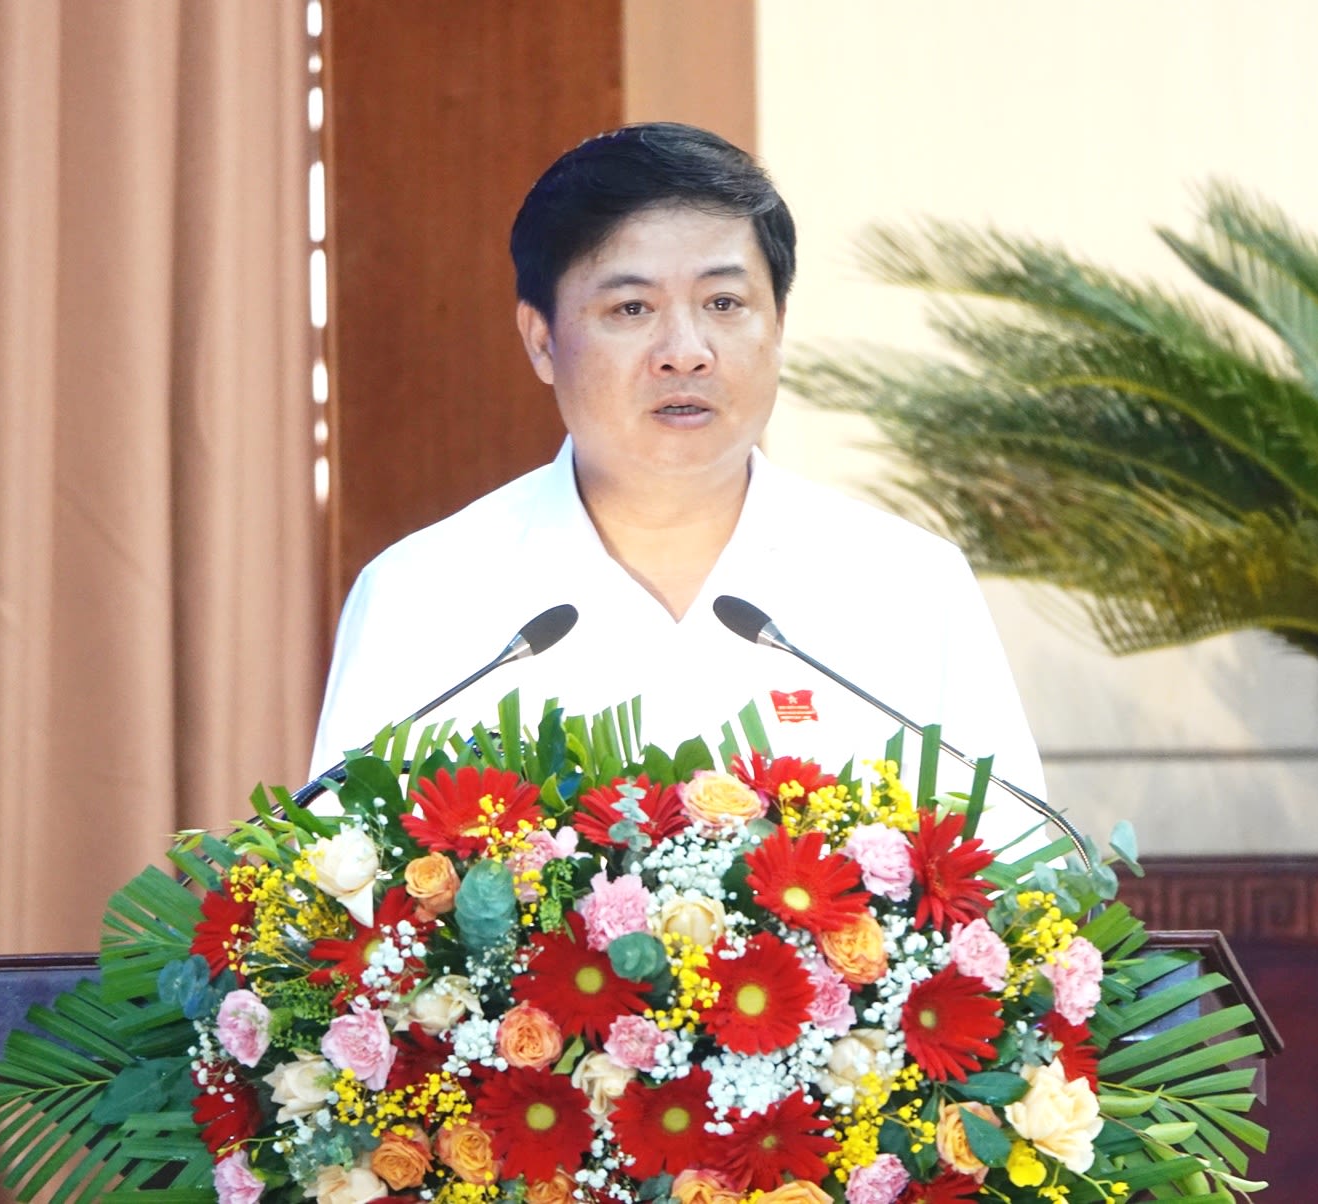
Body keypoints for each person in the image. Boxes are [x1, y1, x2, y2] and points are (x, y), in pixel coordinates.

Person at [310, 122, 1050, 852]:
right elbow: (338, 886)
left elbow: (1014, 876)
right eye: (631, 309)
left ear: (778, 325)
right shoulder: (422, 596)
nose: (686, 353)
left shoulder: (908, 585)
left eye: (723, 304)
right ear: (542, 341)